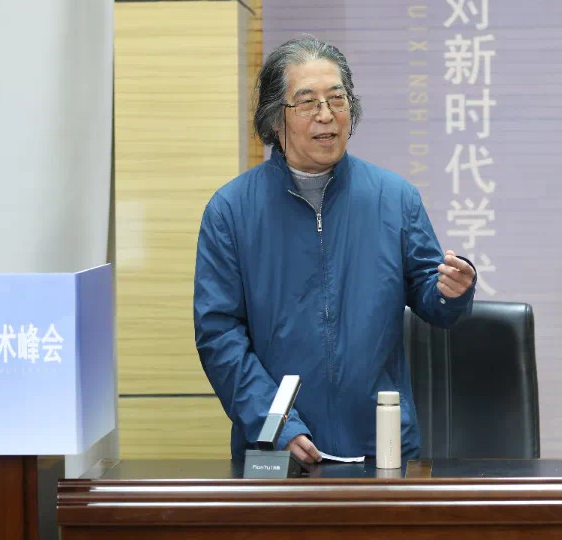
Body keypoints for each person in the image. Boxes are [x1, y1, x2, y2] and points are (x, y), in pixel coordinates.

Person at [193, 36, 477, 464]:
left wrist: (451, 291)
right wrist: (276, 422)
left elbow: (433, 299)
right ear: (274, 119)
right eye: (307, 102)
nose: (326, 115)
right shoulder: (231, 211)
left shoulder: (394, 198)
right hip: (279, 450)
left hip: (380, 446)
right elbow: (219, 335)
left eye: (337, 99)